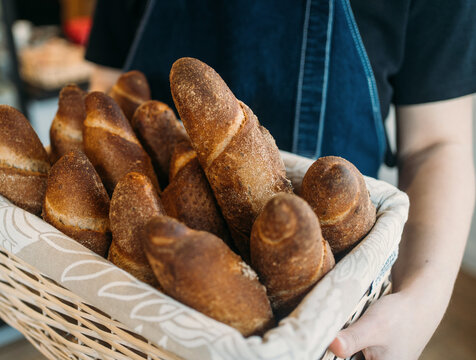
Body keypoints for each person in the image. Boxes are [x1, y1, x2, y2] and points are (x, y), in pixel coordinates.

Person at [85, 1, 476, 358]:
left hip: (335, 303)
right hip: (143, 311)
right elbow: (109, 95)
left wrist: (423, 299)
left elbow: (435, 145)